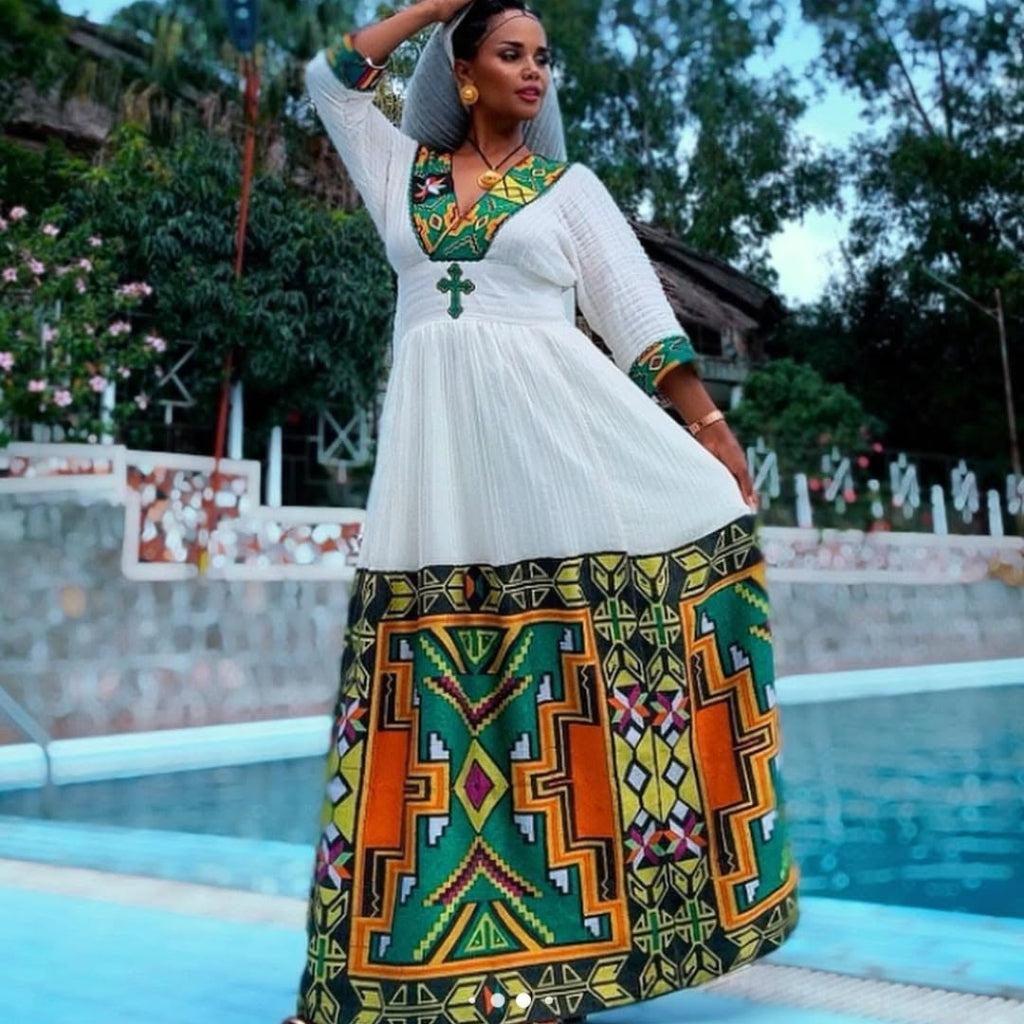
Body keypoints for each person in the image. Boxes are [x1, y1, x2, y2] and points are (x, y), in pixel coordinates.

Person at [283, 1, 798, 1021]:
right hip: (437, 485)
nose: (534, 72)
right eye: (510, 53)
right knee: (432, 709)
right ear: (464, 70)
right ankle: (378, 985)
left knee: (566, 698)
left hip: (560, 461)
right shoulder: (401, 173)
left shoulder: (570, 190)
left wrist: (707, 426)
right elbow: (327, 82)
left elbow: (637, 317)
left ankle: (567, 971)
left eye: (544, 58)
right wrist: (435, 6)